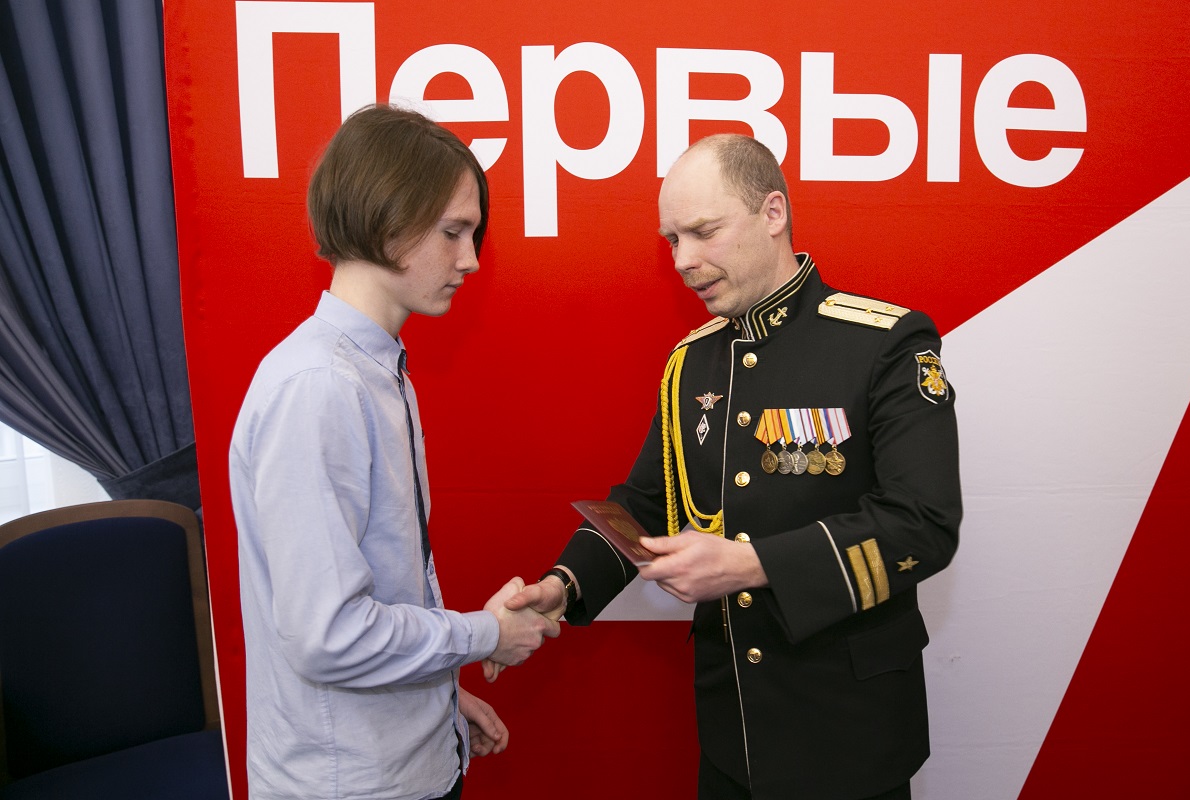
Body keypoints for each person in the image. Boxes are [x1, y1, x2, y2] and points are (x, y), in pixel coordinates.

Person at [503, 133, 961, 799]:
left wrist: (752, 565)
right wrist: (564, 584)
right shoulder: (691, 362)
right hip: (731, 735)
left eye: (703, 231)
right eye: (672, 240)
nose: (683, 260)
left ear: (773, 213)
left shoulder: (884, 343)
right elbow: (644, 502)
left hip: (849, 736)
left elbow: (922, 525)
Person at [229, 104, 559, 800]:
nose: (470, 259)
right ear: (387, 220)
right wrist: (485, 635)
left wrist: (439, 698)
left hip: (403, 758)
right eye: (452, 232)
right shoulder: (320, 386)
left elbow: (382, 589)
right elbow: (329, 635)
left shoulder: (377, 370)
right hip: (350, 781)